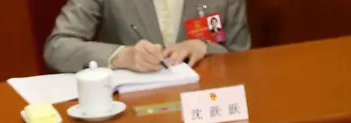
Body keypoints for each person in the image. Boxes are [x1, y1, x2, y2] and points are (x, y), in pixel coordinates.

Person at [45, 0, 250, 73]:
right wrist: (120, 56)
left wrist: (204, 46)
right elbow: (58, 46)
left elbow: (242, 57)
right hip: (132, 115)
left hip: (207, 105)